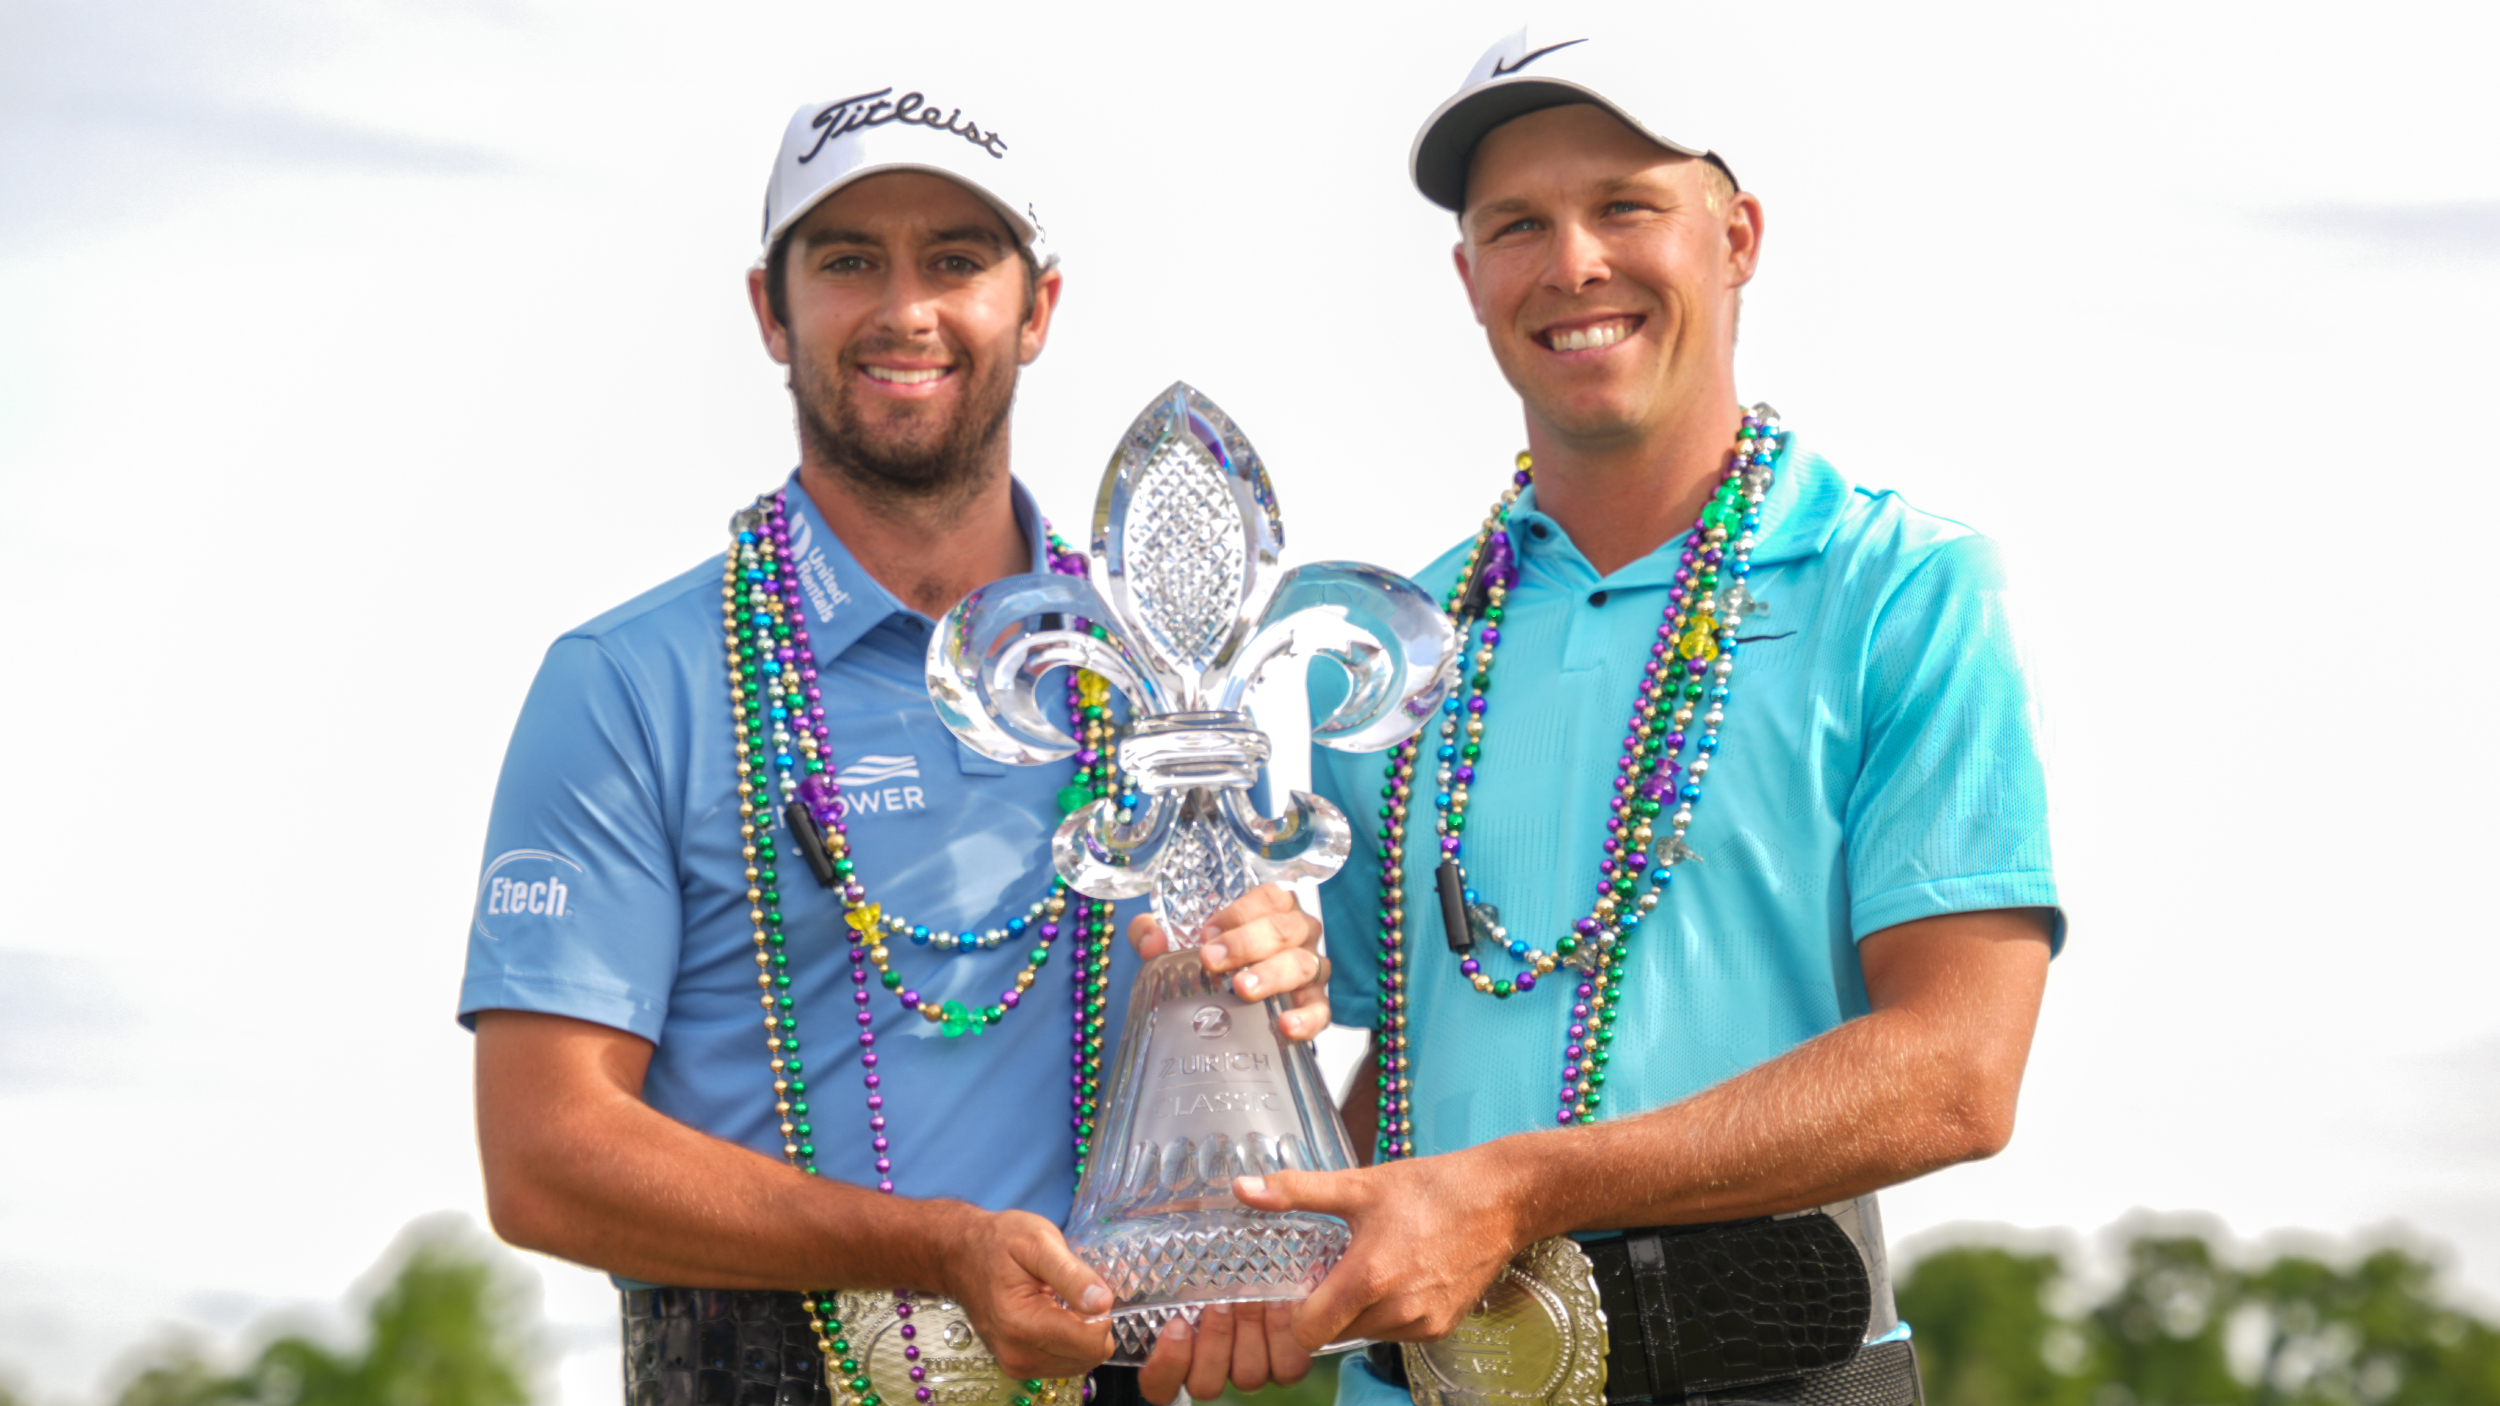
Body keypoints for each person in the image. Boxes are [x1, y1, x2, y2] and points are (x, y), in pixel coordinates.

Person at [459, 84, 1326, 1406]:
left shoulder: (1174, 691)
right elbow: (544, 1155)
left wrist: (1277, 1004)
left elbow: (1233, 1111)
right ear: (772, 308)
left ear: (1035, 310)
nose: (905, 310)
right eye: (851, 259)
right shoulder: (630, 682)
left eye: (958, 260)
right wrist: (933, 1251)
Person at [1235, 28, 2065, 1406]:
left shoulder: (1901, 587)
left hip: (1776, 1367)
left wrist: (1518, 1189)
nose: (1572, 265)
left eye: (1625, 204)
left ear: (1735, 237)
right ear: (1468, 278)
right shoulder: (1390, 649)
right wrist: (1241, 1241)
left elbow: (1959, 1070)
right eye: (1517, 225)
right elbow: (1417, 1077)